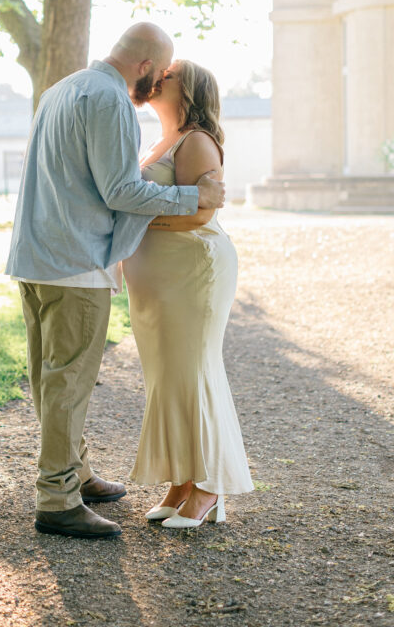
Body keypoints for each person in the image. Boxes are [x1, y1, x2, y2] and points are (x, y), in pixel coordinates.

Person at [5, 25, 226, 539]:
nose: (159, 83)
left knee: (48, 376)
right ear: (147, 66)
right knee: (68, 380)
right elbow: (121, 190)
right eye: (161, 71)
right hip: (75, 262)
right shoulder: (111, 102)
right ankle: (58, 498)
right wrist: (196, 198)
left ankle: (75, 472)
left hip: (35, 255)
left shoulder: (60, 90)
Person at [122, 59, 253, 529]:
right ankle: (180, 480)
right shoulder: (160, 140)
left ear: (189, 91)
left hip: (192, 271)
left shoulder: (196, 140)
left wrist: (135, 223)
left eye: (169, 75)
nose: (158, 77)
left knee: (193, 372)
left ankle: (209, 487)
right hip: (156, 281)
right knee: (167, 379)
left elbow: (199, 214)